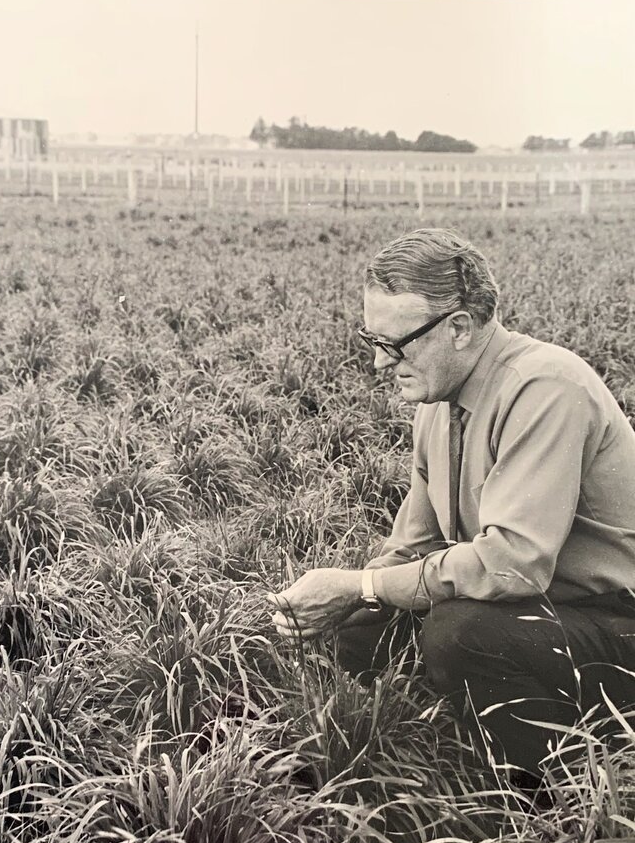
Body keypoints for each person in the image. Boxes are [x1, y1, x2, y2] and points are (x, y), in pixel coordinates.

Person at [267, 227, 635, 780]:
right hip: (542, 606)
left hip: (614, 615)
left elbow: (511, 565)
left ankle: (551, 797)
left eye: (394, 344)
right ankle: (402, 752)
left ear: (459, 328)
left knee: (459, 633)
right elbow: (411, 545)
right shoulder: (438, 401)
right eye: (371, 339)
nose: (377, 363)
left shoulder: (546, 387)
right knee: (360, 625)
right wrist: (351, 596)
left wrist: (357, 586)